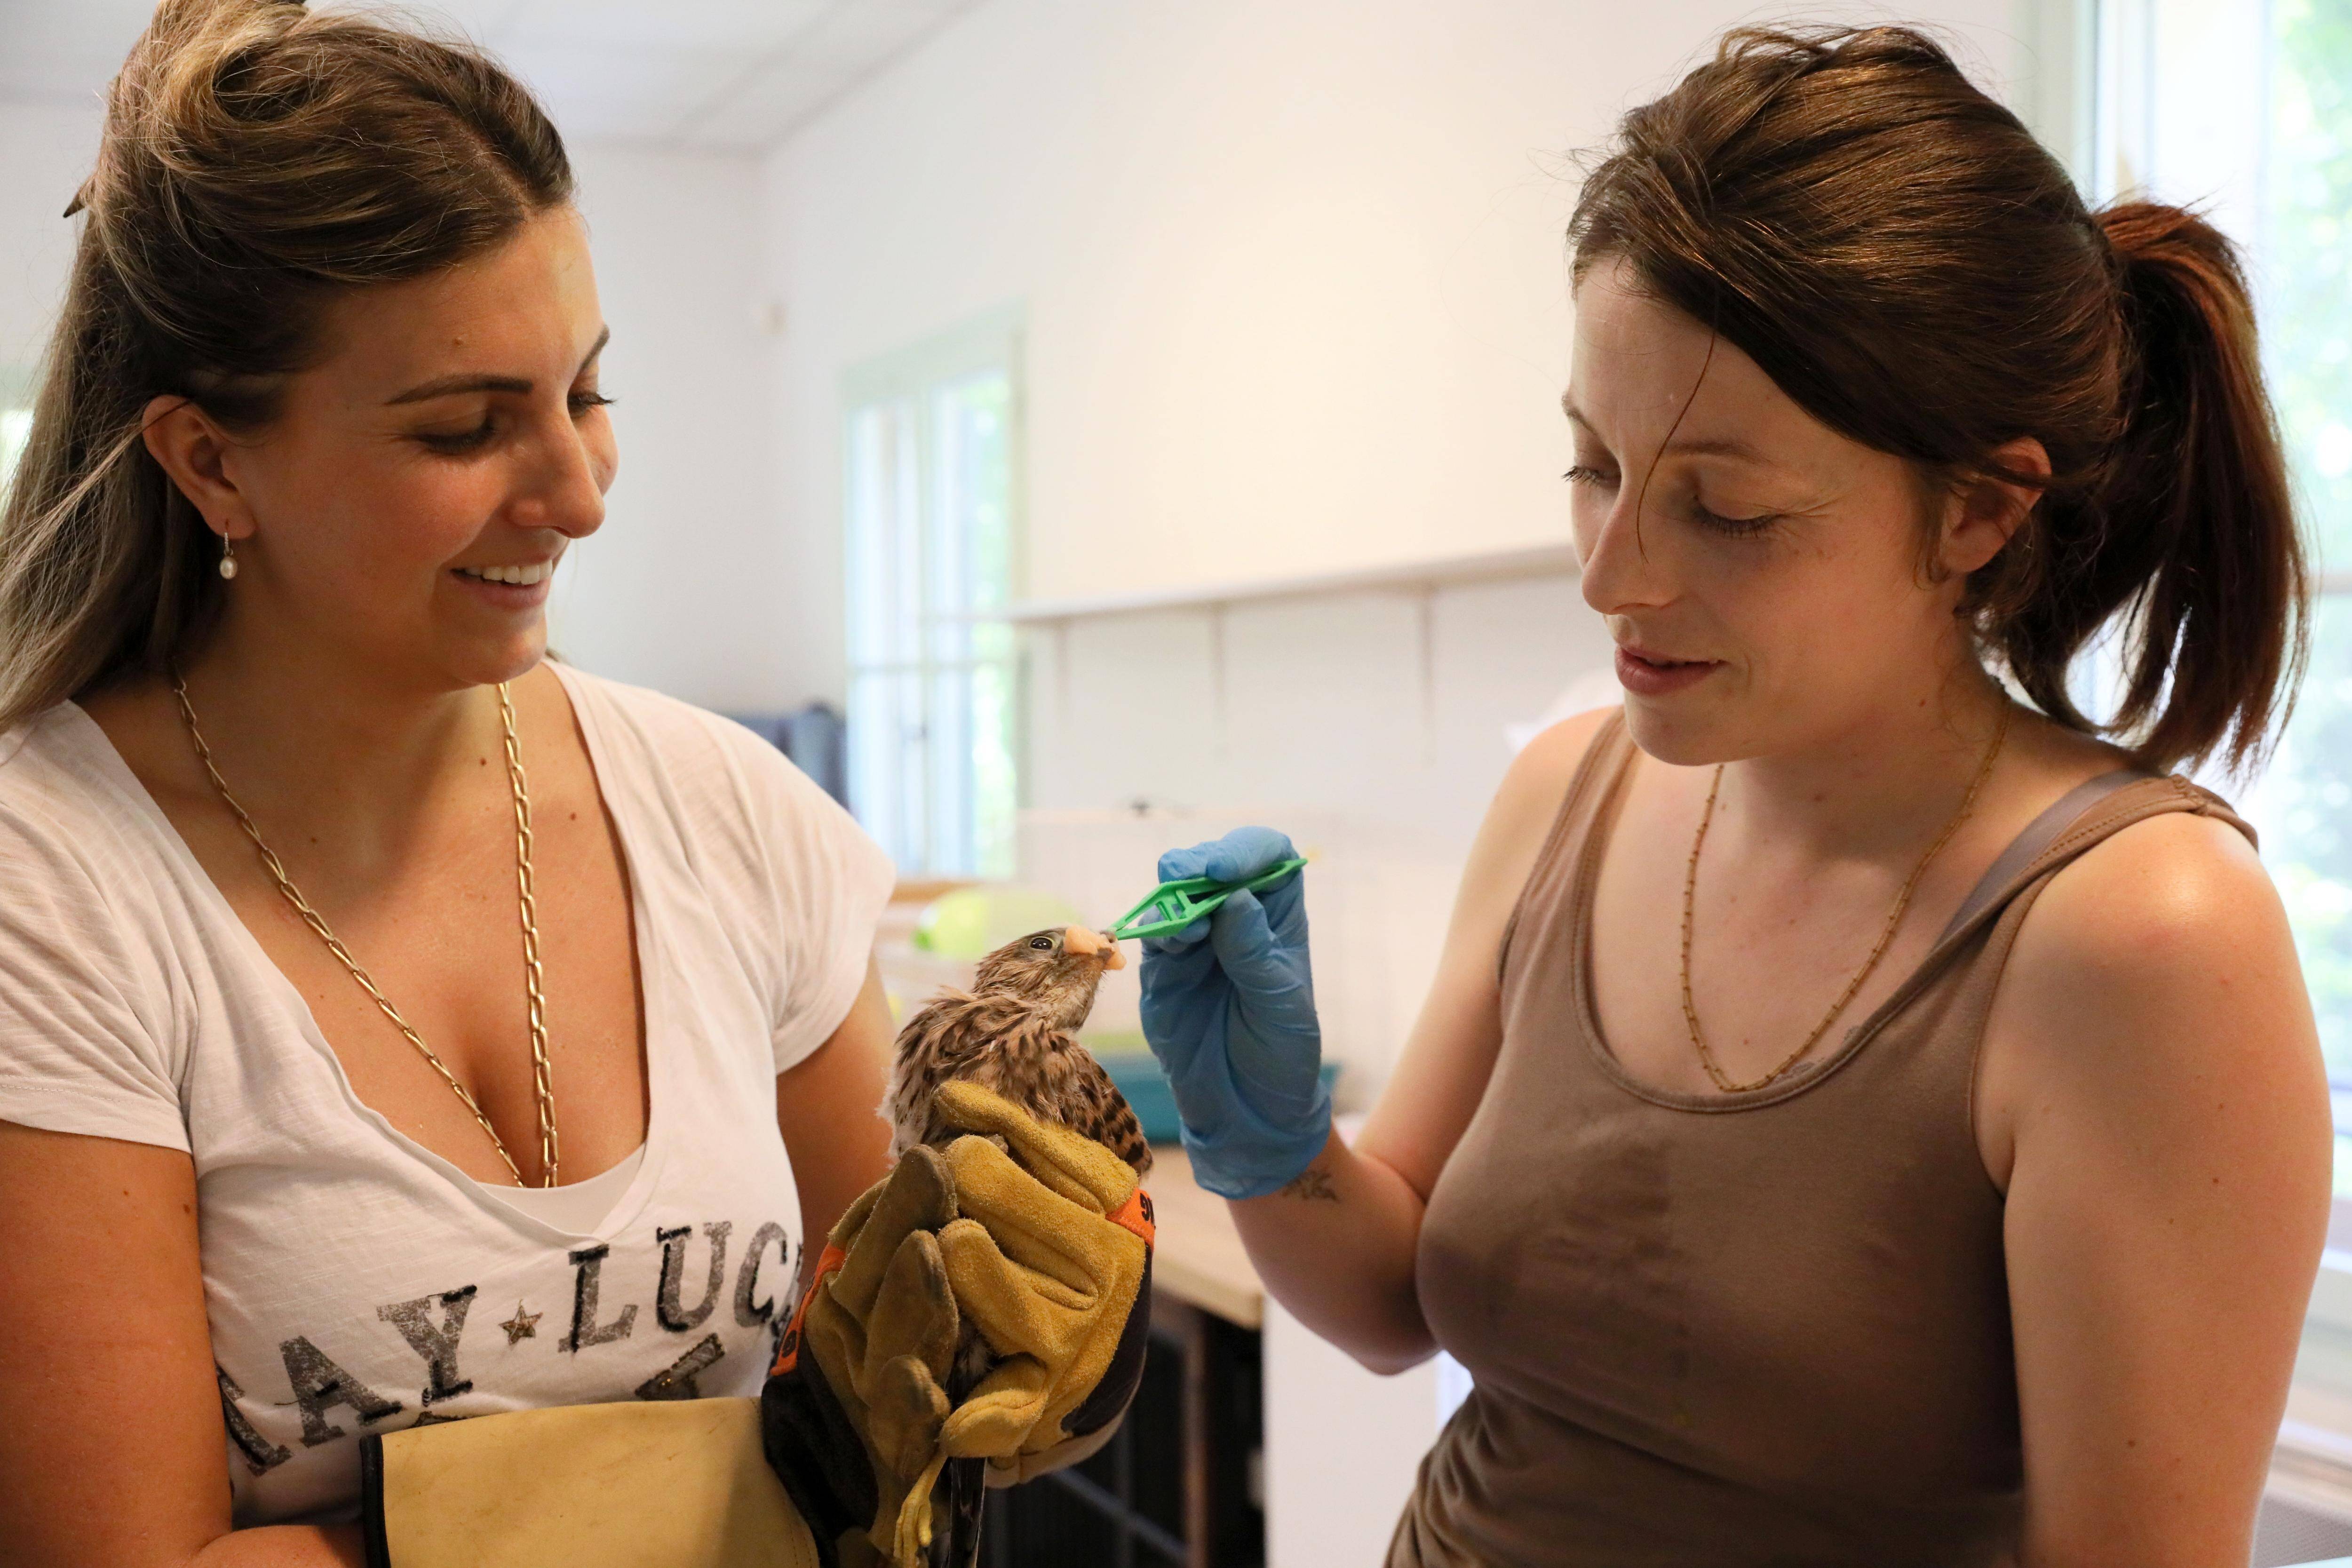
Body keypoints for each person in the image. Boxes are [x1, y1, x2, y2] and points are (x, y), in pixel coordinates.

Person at [1139, 25, 2332, 1567]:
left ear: (1978, 508)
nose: (1609, 571)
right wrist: (1274, 1146)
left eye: (1726, 505)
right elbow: (1388, 1307)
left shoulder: (2136, 939)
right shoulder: (1568, 791)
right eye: (1593, 465)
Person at [0, 3, 943, 1561]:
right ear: (211, 462)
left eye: (587, 392)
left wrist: (1050, 1358)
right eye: (465, 427)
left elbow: (905, 1387)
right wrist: (672, 1498)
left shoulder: (728, 811)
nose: (574, 493)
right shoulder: (55, 889)